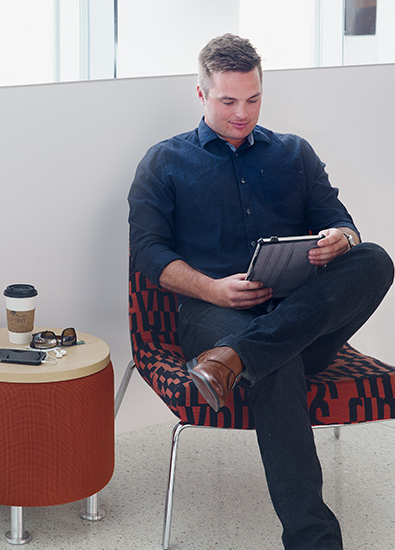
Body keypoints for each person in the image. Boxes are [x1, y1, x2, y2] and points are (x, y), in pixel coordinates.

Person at [128, 34, 394, 550]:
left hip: (299, 312)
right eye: (228, 101)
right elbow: (149, 256)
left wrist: (339, 240)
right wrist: (213, 288)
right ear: (201, 94)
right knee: (278, 362)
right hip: (212, 317)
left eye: (253, 99)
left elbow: (340, 222)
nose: (242, 113)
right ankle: (314, 540)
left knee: (375, 259)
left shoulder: (293, 152)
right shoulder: (163, 162)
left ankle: (233, 361)